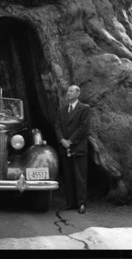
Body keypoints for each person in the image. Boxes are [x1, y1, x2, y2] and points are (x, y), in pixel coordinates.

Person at [55, 85, 90, 214]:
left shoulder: (84, 109)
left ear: (78, 93)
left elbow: (83, 127)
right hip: (64, 147)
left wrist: (71, 141)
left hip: (78, 148)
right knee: (68, 176)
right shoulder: (61, 110)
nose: (68, 93)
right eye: (67, 91)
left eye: (71, 91)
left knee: (80, 177)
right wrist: (62, 140)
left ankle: (81, 203)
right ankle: (70, 203)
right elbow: (57, 126)